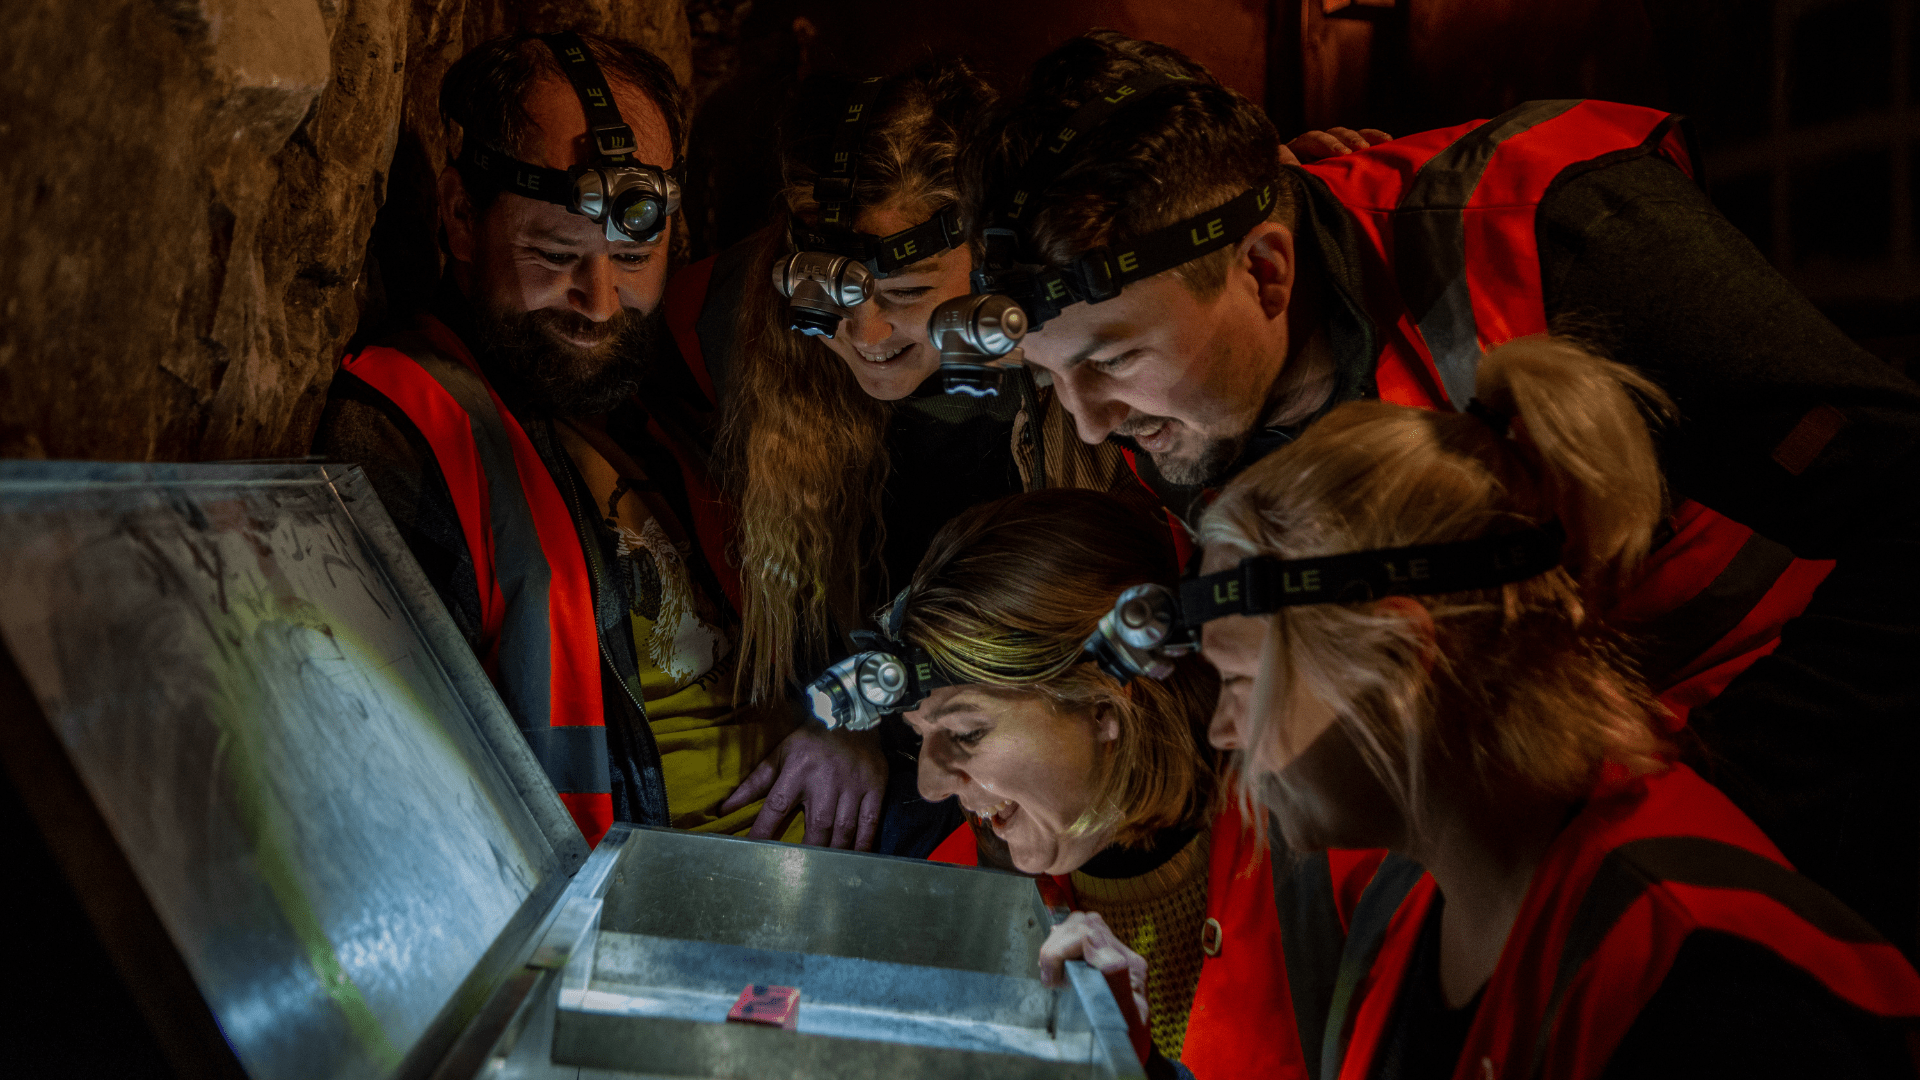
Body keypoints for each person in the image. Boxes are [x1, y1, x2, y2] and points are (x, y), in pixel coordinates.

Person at [960, 31, 1920, 959]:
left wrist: (1715, 787)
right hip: (1481, 833)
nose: (1086, 424)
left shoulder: (1547, 234)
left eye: (1116, 359)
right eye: (1051, 379)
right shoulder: (1177, 385)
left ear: (1263, 270)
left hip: (1773, 777)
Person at [660, 59, 1384, 856]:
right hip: (921, 702)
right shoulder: (739, 328)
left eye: (906, 295)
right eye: (829, 297)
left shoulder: (1088, 350)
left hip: (1081, 708)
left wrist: (1272, 189)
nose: (865, 336)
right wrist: (840, 713)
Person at [1192, 337, 1920, 1079]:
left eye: (1243, 682)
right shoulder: (1411, 900)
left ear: (1404, 661)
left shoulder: (1710, 982)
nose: (1224, 731)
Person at [313, 30, 883, 849]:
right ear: (460, 217)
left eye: (631, 256)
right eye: (554, 255)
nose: (601, 302)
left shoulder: (651, 410)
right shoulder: (410, 428)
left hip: (826, 861)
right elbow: (390, 775)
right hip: (641, 906)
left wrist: (844, 715)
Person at [853, 487, 1371, 1079]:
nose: (930, 786)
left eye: (966, 733)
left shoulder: (1326, 865)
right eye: (918, 736)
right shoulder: (954, 900)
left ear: (1105, 706)